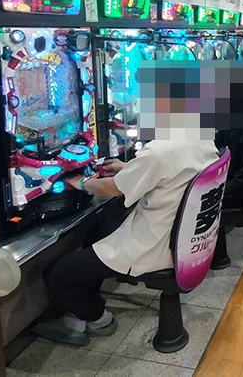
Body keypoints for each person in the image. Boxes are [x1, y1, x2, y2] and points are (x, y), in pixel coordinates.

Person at [33, 139, 219, 347]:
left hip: (155, 247)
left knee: (57, 274)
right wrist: (130, 168)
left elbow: (112, 188)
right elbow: (172, 167)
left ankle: (99, 320)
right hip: (186, 240)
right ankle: (85, 302)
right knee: (99, 230)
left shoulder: (158, 151)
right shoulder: (202, 140)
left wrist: (81, 182)